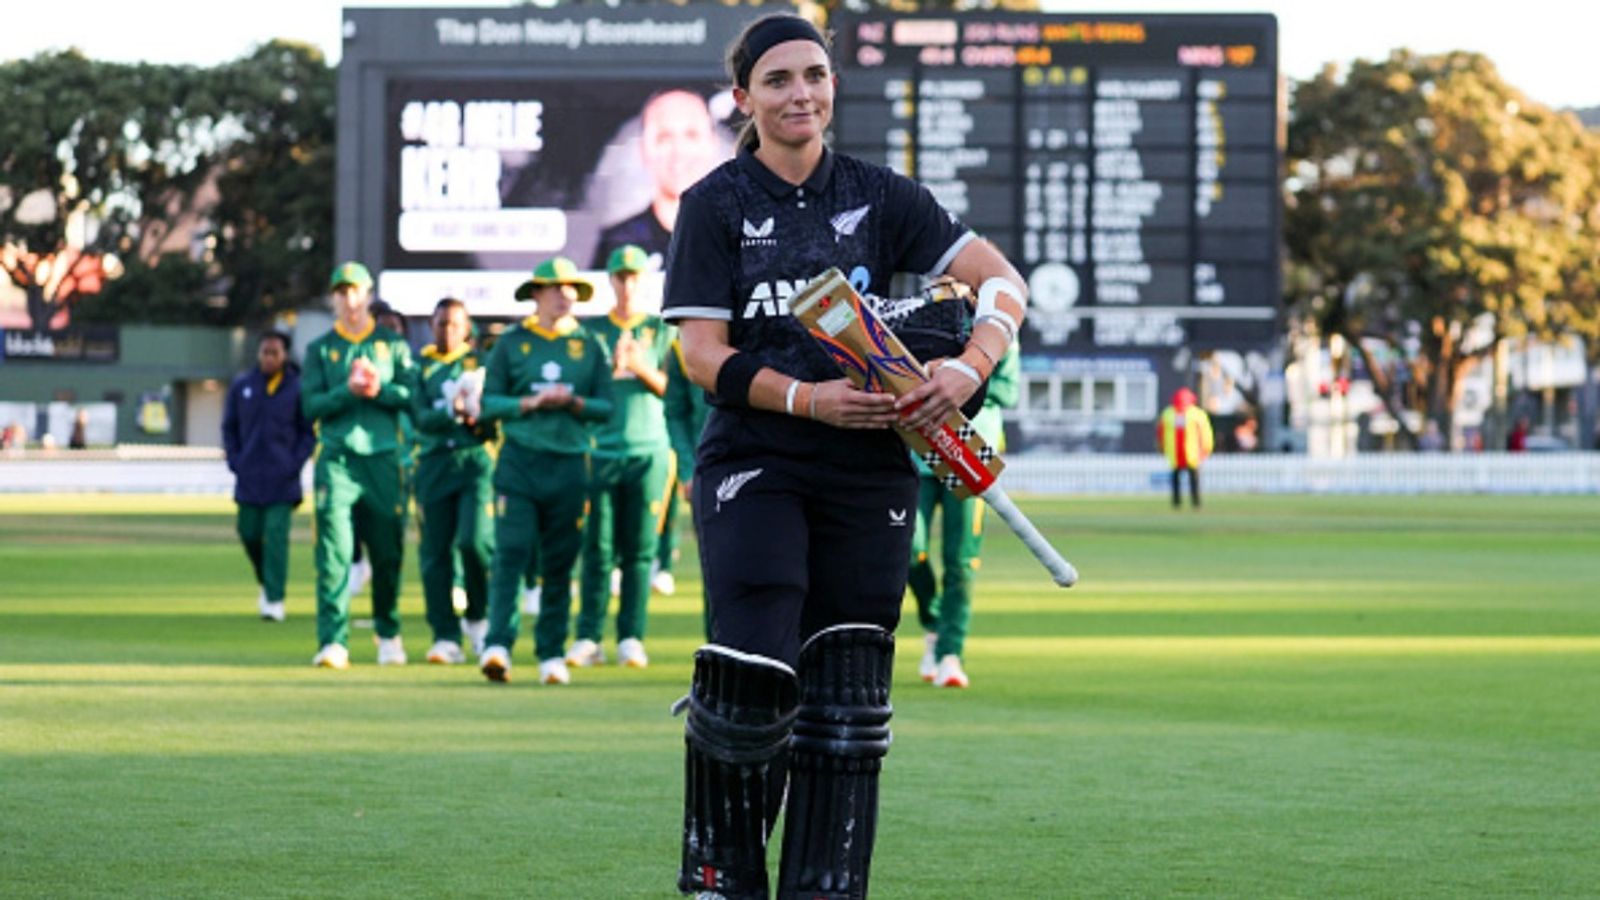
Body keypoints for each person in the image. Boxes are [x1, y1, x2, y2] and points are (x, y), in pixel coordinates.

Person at [663, 14, 1030, 898]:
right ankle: (721, 877)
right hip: (757, 458)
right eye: (780, 80)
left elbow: (1003, 281)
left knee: (848, 689)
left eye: (815, 77)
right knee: (754, 668)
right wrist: (807, 397)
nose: (801, 95)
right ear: (744, 97)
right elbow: (700, 355)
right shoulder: (713, 204)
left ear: (834, 88)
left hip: (870, 472)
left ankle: (826, 887)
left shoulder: (882, 194)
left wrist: (966, 365)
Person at [477, 256, 614, 685]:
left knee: (559, 561)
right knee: (512, 552)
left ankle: (550, 652)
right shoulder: (512, 342)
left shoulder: (590, 345)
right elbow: (487, 403)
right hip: (519, 460)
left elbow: (606, 406)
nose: (564, 295)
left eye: (570, 288)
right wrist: (529, 403)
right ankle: (497, 644)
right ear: (536, 294)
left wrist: (573, 403)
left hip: (571, 463)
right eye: (555, 288)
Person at [301, 261, 417, 669]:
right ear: (333, 298)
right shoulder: (320, 350)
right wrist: (347, 392)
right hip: (337, 459)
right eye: (342, 292)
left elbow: (411, 397)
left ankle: (388, 633)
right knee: (334, 554)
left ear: (368, 296)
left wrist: (378, 389)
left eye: (356, 291)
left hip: (384, 458)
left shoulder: (393, 345)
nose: (349, 300)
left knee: (386, 552)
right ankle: (333, 640)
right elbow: (310, 406)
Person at [571, 245, 674, 670]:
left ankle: (631, 635)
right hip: (602, 450)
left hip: (648, 450)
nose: (627, 285)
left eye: (634, 277)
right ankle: (588, 637)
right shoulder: (591, 332)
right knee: (597, 548)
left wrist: (639, 366)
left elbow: (676, 388)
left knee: (639, 550)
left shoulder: (662, 329)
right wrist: (611, 368)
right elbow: (582, 390)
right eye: (620, 277)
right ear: (611, 281)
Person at [908, 344, 1019, 690]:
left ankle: (950, 654)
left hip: (971, 456)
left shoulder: (1000, 330)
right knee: (909, 550)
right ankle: (936, 623)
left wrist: (959, 381)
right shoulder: (925, 319)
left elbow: (1007, 390)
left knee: (961, 561)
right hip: (920, 452)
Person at [411, 298, 495, 664]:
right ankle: (444, 634)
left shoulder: (481, 364)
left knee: (474, 542)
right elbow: (418, 416)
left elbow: (494, 413)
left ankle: (478, 615)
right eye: (442, 323)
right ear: (432, 325)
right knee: (434, 552)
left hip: (474, 460)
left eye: (455, 324)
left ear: (467, 328)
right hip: (433, 462)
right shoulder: (420, 366)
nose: (448, 330)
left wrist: (477, 414)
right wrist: (450, 412)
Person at [222, 330, 316, 622]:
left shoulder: (297, 388)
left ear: (285, 355)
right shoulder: (243, 386)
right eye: (264, 352)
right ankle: (265, 580)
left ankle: (275, 599)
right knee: (249, 532)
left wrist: (294, 463)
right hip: (249, 476)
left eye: (274, 352)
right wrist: (236, 460)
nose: (268, 357)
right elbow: (230, 427)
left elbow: (307, 432)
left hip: (282, 479)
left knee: (275, 537)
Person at [591, 90, 722, 269]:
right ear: (643, 148)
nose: (678, 151)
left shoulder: (742, 238)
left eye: (691, 135)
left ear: (712, 144)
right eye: (663, 137)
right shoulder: (619, 244)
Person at [657, 332, 711, 612]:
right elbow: (675, 412)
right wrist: (689, 470)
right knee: (717, 570)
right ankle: (718, 649)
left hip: (772, 464)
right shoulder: (682, 346)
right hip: (711, 470)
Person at [1157, 387, 1213, 509]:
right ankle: (1178, 502)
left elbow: (1205, 433)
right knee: (1177, 478)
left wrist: (1205, 448)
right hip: (1176, 452)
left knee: (1193, 479)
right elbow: (1161, 432)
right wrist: (1162, 447)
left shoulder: (1196, 414)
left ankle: (1195, 502)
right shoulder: (1169, 414)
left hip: (1192, 453)